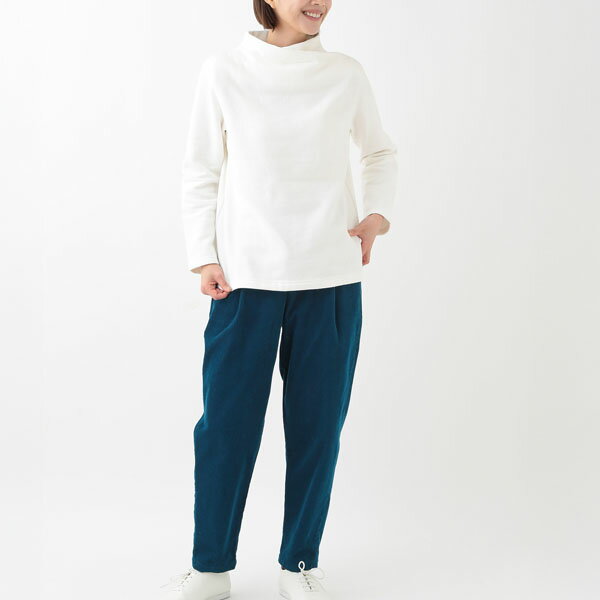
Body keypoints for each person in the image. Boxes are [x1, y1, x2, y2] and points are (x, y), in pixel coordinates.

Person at [161, 1, 398, 598]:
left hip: (331, 277)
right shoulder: (224, 70)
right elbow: (200, 169)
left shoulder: (345, 74)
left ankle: (299, 563)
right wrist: (203, 254)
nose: (318, 1)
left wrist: (376, 214)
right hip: (243, 278)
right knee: (226, 428)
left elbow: (379, 151)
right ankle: (211, 566)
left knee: (318, 428)